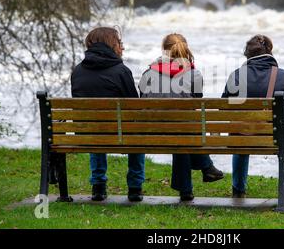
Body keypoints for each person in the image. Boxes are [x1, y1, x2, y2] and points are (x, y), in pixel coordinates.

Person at [138, 33, 224, 201]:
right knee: (183, 129)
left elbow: (142, 99)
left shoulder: (148, 73)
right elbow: (197, 102)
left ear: (164, 50)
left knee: (181, 130)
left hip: (152, 131)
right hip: (184, 131)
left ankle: (195, 181)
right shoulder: (194, 74)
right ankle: (205, 168)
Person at [71, 27, 145, 202]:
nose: (122, 47)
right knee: (137, 134)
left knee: (96, 131)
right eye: (120, 43)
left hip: (87, 133)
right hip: (118, 133)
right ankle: (135, 187)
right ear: (112, 44)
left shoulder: (78, 71)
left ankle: (98, 187)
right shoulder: (121, 70)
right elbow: (133, 105)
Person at [222, 35, 284, 198]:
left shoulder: (236, 75)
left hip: (241, 137)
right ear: (269, 52)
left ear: (248, 55)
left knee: (241, 133)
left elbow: (223, 107)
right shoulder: (283, 76)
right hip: (274, 137)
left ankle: (238, 189)